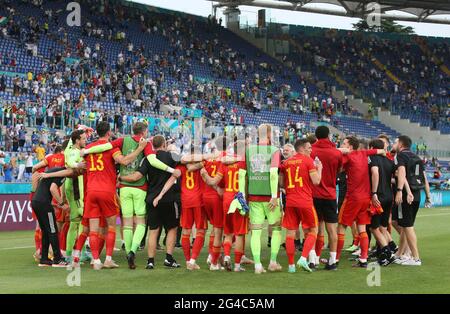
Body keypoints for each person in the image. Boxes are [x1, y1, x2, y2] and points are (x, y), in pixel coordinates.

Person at [83, 122, 147, 270]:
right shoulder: (112, 148)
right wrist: (139, 149)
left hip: (91, 190)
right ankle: (108, 259)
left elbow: (82, 165)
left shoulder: (88, 148)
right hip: (107, 190)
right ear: (109, 133)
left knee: (93, 229)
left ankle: (96, 260)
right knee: (111, 226)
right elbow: (125, 161)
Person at [120, 135, 182, 270]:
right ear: (164, 144)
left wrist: (121, 177)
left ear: (152, 146)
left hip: (151, 198)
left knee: (153, 230)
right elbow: (186, 161)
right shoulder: (172, 157)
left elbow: (137, 176)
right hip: (169, 198)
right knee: (172, 229)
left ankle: (150, 261)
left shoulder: (147, 159)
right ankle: (169, 258)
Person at [336, 136, 386, 268]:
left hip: (353, 198)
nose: (343, 144)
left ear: (351, 146)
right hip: (366, 199)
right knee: (362, 229)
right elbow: (378, 151)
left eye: (345, 143)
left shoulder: (349, 156)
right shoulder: (364, 153)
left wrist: (341, 151)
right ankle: (363, 259)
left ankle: (334, 258)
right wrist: (384, 151)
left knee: (341, 227)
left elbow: (338, 165)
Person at [239, 124, 282, 274]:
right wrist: (274, 196)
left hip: (254, 197)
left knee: (255, 232)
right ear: (270, 134)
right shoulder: (274, 150)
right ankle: (272, 262)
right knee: (276, 229)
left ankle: (257, 265)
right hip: (270, 198)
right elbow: (273, 174)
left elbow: (241, 174)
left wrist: (242, 196)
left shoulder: (248, 150)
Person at [200, 140, 249, 272]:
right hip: (239, 199)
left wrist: (205, 175)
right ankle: (237, 265)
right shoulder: (244, 163)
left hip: (227, 199)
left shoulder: (224, 163)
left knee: (227, 232)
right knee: (239, 234)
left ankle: (227, 256)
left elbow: (213, 181)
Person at [279, 139, 322, 273]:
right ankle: (303, 258)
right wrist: (319, 169)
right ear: (301, 149)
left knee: (290, 234)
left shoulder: (285, 163)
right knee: (313, 231)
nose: (311, 150)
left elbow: (281, 183)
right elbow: (316, 181)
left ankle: (291, 266)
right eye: (309, 148)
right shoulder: (308, 161)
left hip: (290, 201)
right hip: (305, 202)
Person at [392, 135, 431, 266]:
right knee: (404, 226)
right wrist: (428, 196)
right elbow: (424, 179)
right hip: (417, 194)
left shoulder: (401, 156)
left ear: (401, 145)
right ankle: (400, 254)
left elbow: (401, 173)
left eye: (396, 142)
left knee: (408, 227)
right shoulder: (417, 157)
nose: (395, 144)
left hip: (406, 195)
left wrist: (399, 191)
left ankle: (415, 258)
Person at [311, 126, 342, 270]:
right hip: (330, 194)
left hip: (314, 194)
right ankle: (333, 260)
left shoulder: (311, 151)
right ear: (329, 135)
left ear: (316, 136)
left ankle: (314, 259)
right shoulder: (336, 153)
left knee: (315, 229)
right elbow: (339, 170)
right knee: (332, 229)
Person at [31, 167, 70, 267]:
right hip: (44, 203)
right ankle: (58, 259)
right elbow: (52, 189)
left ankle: (44, 259)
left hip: (36, 201)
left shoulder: (52, 171)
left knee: (45, 231)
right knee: (53, 230)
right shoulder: (62, 175)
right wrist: (62, 204)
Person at [368, 138, 396, 266]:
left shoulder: (373, 158)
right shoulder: (389, 161)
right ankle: (382, 254)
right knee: (383, 227)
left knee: (373, 227)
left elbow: (375, 172)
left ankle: (388, 252)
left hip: (378, 196)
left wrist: (374, 192)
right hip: (389, 196)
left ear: (373, 147)